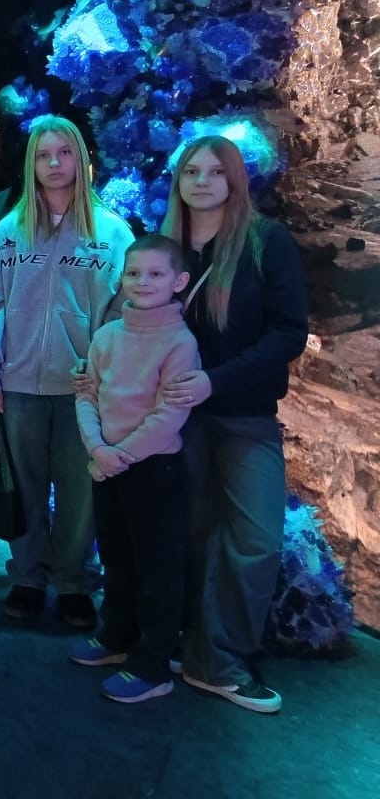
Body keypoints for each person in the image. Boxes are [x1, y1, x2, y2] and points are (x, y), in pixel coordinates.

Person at [159, 135, 308, 714]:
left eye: (215, 172)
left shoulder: (267, 242)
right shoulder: (166, 245)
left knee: (254, 538)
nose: (202, 181)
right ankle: (193, 644)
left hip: (244, 415)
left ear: (235, 180)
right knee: (189, 531)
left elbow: (288, 333)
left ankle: (221, 659)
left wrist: (215, 382)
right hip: (176, 418)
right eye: (191, 171)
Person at [0, 114, 134, 626]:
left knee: (80, 488)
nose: (54, 164)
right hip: (18, 383)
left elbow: (122, 312)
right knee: (26, 485)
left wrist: (103, 375)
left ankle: (74, 581)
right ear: (31, 164)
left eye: (63, 153)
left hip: (83, 389)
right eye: (43, 155)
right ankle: (27, 576)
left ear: (81, 160)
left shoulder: (112, 233)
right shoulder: (8, 232)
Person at [70, 234, 199, 703]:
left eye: (155, 274)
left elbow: (170, 413)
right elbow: (87, 393)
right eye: (133, 273)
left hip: (152, 470)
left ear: (179, 282)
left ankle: (153, 663)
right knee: (116, 556)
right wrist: (97, 447)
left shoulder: (179, 343)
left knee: (157, 568)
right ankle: (116, 635)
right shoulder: (107, 337)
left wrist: (118, 455)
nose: (142, 282)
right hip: (107, 466)